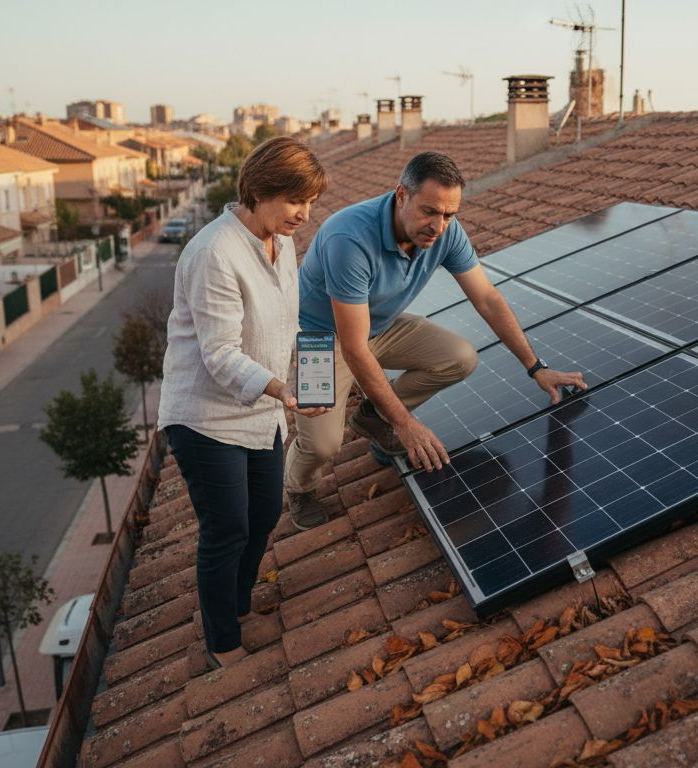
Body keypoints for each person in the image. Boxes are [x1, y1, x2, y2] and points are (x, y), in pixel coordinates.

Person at [286, 151, 586, 527]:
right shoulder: (349, 239)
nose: (438, 225)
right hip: (321, 339)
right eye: (429, 211)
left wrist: (535, 367)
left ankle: (372, 418)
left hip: (380, 325)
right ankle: (299, 488)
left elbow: (488, 298)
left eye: (449, 215)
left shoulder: (446, 231)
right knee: (323, 443)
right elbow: (354, 347)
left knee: (459, 356)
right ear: (401, 196)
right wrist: (406, 424)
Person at [157, 137, 330, 670]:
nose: (304, 213)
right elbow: (219, 354)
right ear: (258, 190)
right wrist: (282, 390)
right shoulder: (215, 252)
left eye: (310, 201)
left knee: (262, 516)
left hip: (261, 411)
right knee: (227, 525)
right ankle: (222, 641)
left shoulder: (283, 243)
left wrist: (307, 372)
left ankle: (236, 605)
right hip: (204, 416)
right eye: (294, 200)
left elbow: (287, 324)